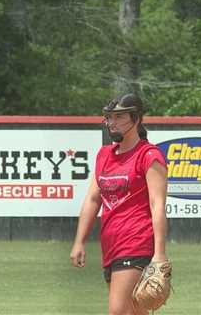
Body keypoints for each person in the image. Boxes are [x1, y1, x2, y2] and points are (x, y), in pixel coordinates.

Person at [70, 94, 169, 315]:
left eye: (118, 116)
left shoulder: (149, 155)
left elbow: (157, 205)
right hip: (110, 244)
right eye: (108, 117)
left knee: (118, 311)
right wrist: (79, 241)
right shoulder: (104, 154)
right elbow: (93, 199)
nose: (111, 122)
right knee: (134, 312)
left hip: (137, 241)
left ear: (136, 118)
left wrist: (160, 253)